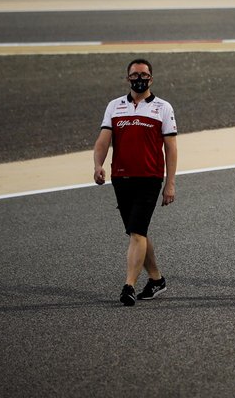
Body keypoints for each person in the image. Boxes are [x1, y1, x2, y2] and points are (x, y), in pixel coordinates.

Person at [92, 58, 178, 307]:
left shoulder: (163, 107)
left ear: (151, 78)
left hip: (149, 178)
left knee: (138, 231)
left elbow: (171, 149)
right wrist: (98, 165)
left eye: (143, 74)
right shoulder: (114, 106)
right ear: (127, 78)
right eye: (134, 74)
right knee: (136, 231)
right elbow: (103, 140)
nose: (139, 78)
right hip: (121, 178)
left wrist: (169, 183)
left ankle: (128, 285)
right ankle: (156, 279)